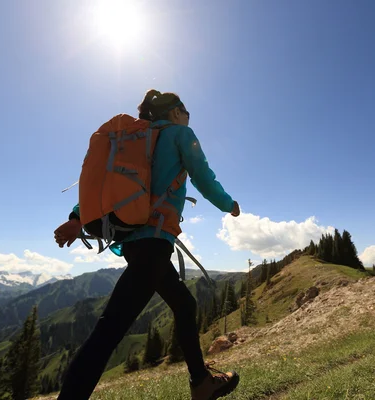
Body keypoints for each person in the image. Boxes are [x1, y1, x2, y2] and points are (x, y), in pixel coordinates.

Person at [53, 89, 241, 400]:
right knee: (109, 330)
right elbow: (203, 178)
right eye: (186, 111)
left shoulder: (135, 140)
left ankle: (201, 382)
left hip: (134, 242)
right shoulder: (180, 134)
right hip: (153, 245)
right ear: (177, 112)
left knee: (184, 304)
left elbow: (107, 185)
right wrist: (229, 205)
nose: (189, 116)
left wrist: (77, 217)